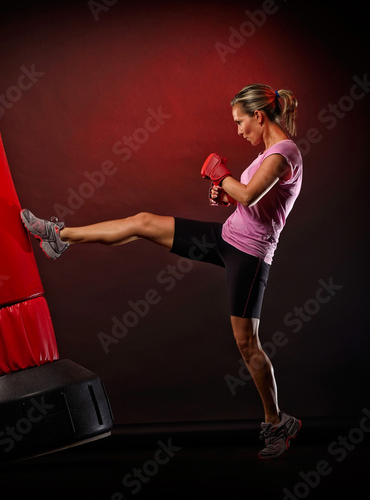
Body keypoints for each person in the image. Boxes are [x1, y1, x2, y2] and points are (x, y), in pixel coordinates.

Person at [20, 83, 303, 460]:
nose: (239, 131)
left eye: (240, 123)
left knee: (247, 344)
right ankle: (60, 237)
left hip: (248, 257)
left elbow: (250, 194)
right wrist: (223, 194)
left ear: (258, 116)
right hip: (226, 236)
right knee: (142, 222)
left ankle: (277, 422)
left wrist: (222, 176)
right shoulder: (270, 151)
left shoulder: (284, 153)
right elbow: (248, 201)